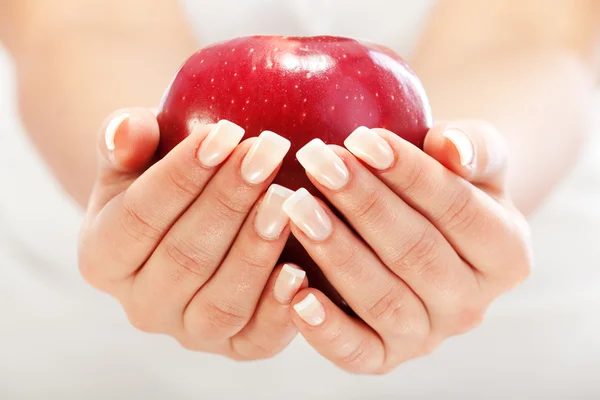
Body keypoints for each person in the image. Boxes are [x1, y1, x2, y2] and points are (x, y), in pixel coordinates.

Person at [1, 0, 599, 398]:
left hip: (505, 366)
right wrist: (139, 196)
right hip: (97, 367)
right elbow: (79, 21)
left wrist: (465, 193)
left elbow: (525, 30)